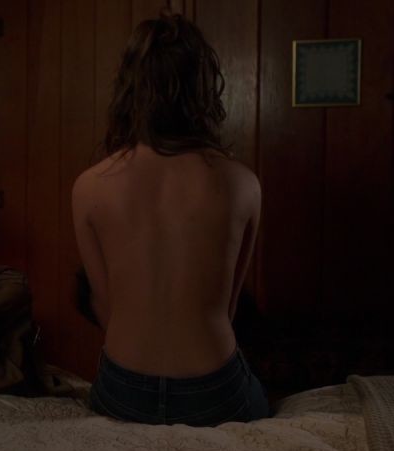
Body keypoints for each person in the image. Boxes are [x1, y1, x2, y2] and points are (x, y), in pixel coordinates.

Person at [71, 12, 268, 427]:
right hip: (214, 393)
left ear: (129, 89)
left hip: (125, 391)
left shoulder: (88, 187)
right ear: (203, 89)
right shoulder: (243, 184)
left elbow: (105, 308)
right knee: (259, 394)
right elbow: (228, 307)